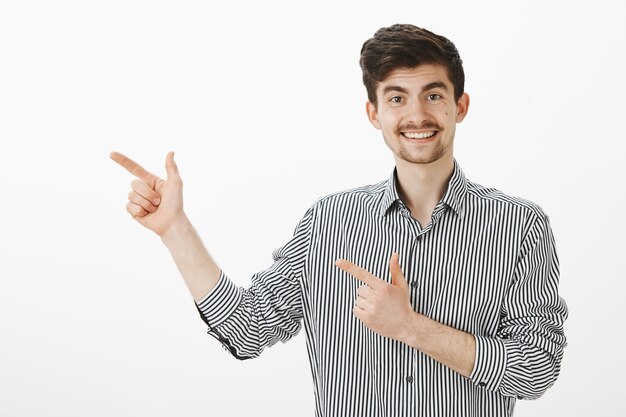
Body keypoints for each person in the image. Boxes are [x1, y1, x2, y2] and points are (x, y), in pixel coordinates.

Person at [111, 24, 567, 417]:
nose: (417, 115)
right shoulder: (328, 223)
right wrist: (175, 230)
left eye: (433, 95)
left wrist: (410, 326)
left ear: (459, 106)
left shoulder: (520, 225)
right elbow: (247, 330)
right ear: (374, 113)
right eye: (396, 98)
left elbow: (538, 370)